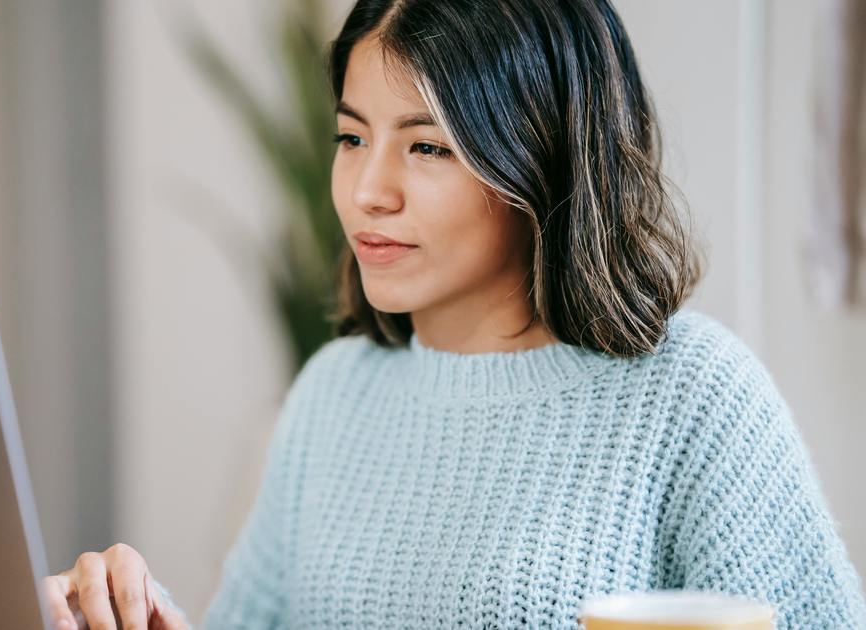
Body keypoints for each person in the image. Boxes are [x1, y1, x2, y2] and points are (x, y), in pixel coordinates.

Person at [42, 0, 866, 627]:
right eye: (352, 137)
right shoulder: (334, 395)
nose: (369, 191)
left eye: (427, 146)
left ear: (541, 156)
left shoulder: (692, 395)